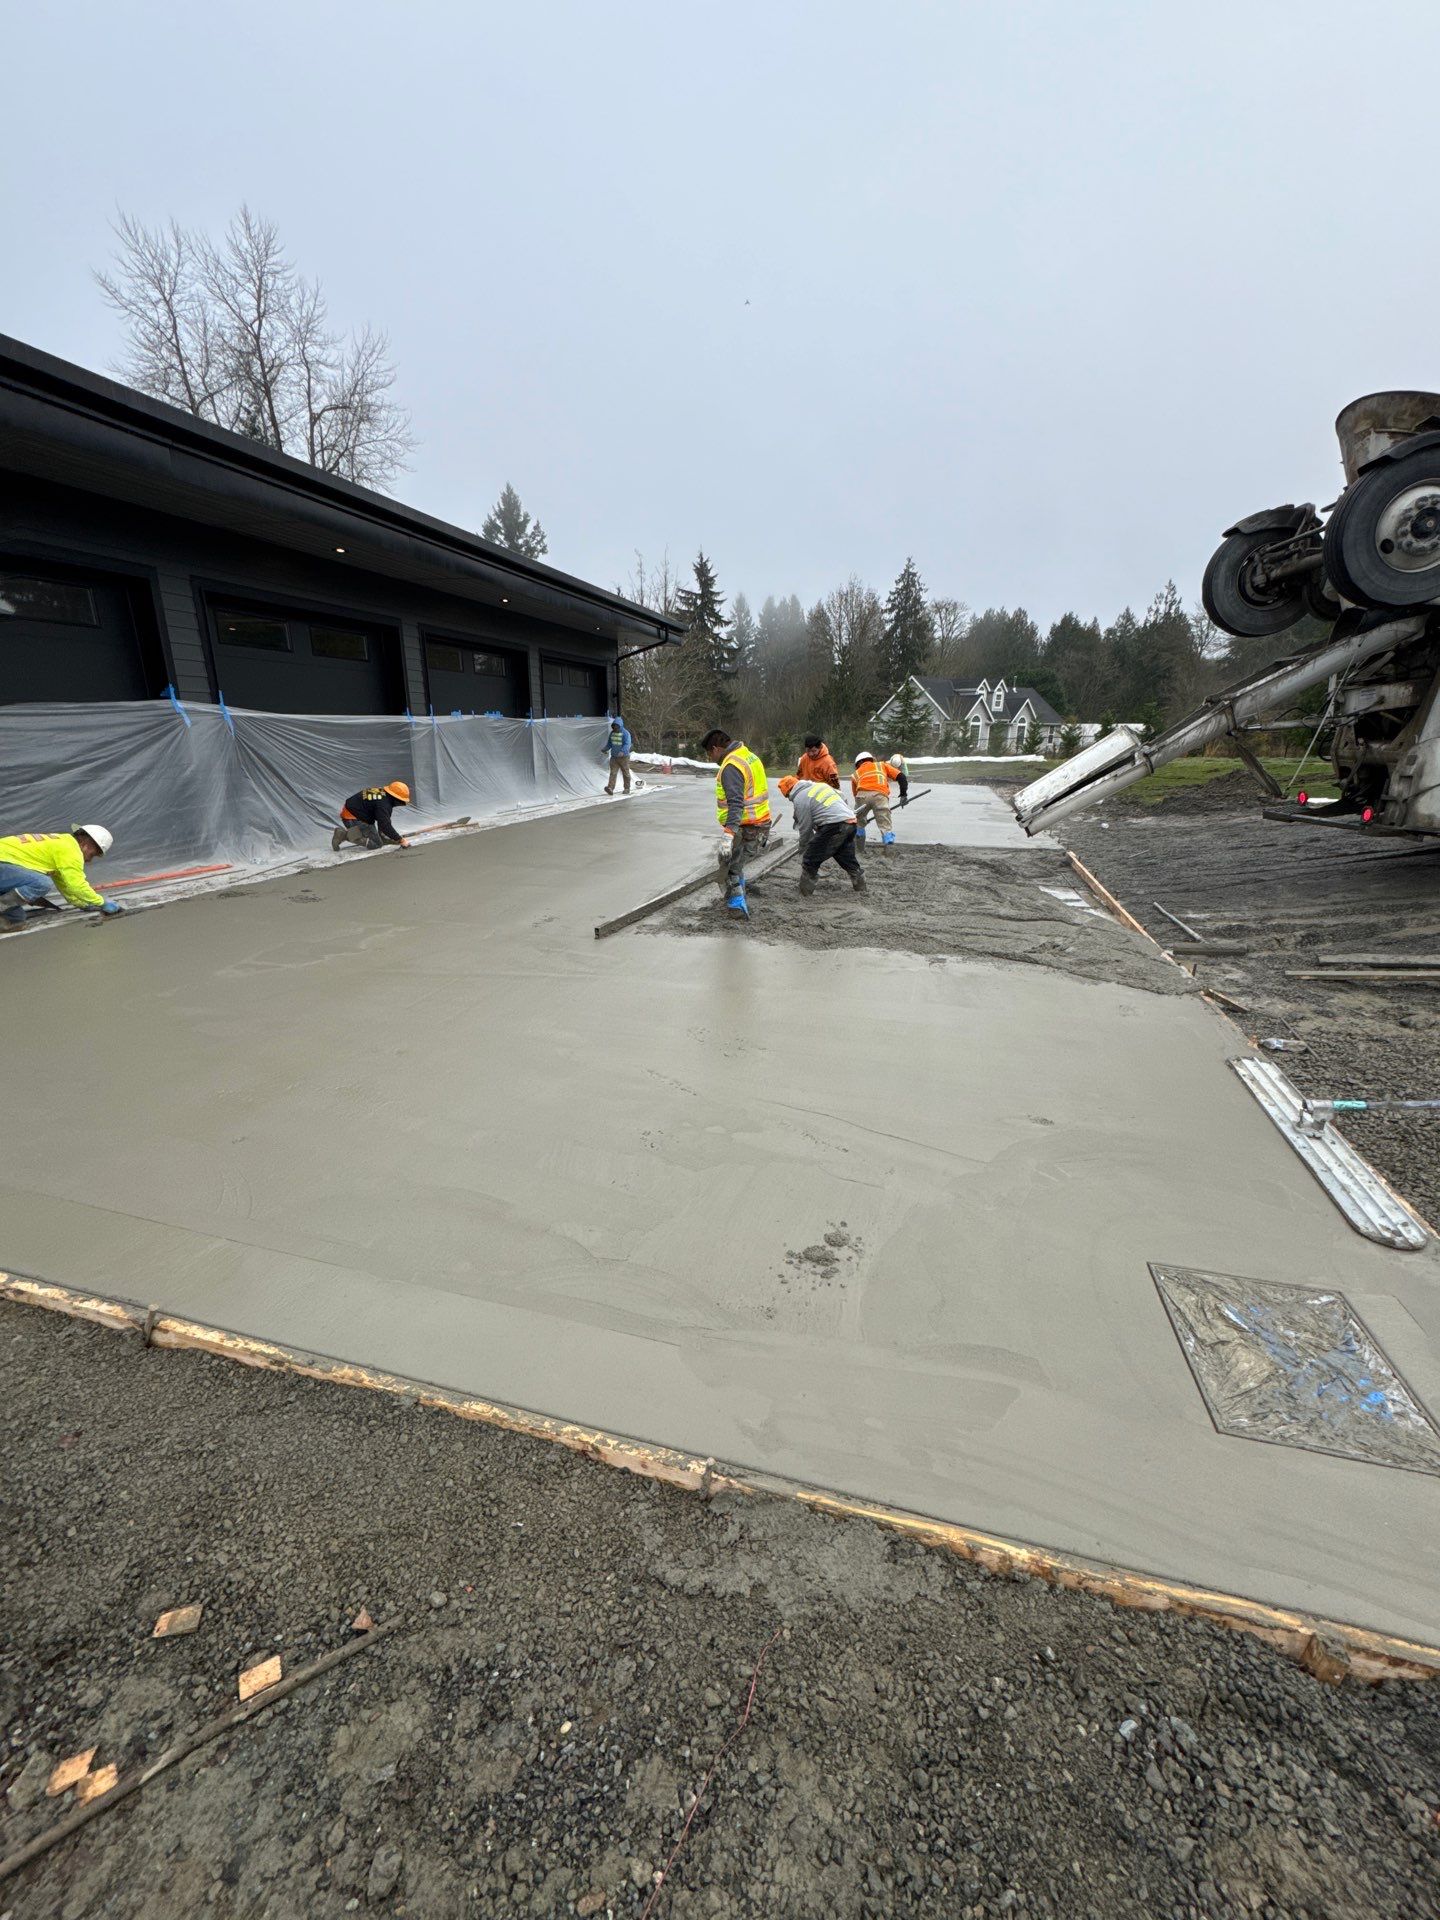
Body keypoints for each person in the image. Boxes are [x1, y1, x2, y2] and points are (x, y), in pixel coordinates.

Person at [700, 728, 771, 918]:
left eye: (709, 753)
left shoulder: (731, 766)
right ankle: (741, 893)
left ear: (716, 748)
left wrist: (728, 834)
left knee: (728, 865)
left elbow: (735, 803)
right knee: (737, 863)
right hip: (759, 823)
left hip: (747, 826)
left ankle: (737, 906)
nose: (710, 758)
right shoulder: (748, 756)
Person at [0, 823, 121, 927]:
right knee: (42, 883)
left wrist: (82, 904)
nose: (89, 860)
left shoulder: (62, 843)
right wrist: (101, 902)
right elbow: (77, 885)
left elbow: (64, 883)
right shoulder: (70, 850)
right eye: (93, 854)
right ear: (87, 843)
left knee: (16, 919)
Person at [777, 776, 866, 896]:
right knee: (844, 855)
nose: (789, 799)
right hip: (850, 822)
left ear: (788, 792)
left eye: (787, 796)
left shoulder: (800, 798)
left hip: (833, 826)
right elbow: (842, 797)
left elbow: (805, 828)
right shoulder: (819, 785)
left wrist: (804, 847)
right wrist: (845, 813)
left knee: (810, 859)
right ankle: (860, 885)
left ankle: (805, 893)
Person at [331, 781, 411, 852]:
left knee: (379, 837)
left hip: (356, 812)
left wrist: (384, 836)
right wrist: (401, 840)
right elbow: (385, 825)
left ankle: (354, 833)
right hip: (353, 818)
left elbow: (383, 820)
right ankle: (343, 835)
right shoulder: (383, 805)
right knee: (376, 844)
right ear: (395, 798)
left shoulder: (382, 793)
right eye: (401, 800)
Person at [850, 751, 909, 848]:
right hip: (880, 796)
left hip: (862, 796)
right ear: (871, 760)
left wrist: (862, 816)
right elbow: (901, 777)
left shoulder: (855, 774)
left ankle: (860, 851)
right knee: (885, 825)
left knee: (858, 824)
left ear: (858, 763)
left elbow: (856, 796)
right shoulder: (881, 765)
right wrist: (903, 795)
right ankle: (888, 849)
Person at [603, 715, 634, 795]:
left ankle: (627, 788)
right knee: (613, 773)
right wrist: (605, 749)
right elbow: (610, 743)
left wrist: (623, 751)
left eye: (616, 726)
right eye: (613, 726)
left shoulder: (626, 733)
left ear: (620, 725)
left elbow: (627, 744)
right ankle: (610, 788)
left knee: (625, 773)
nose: (614, 728)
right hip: (614, 757)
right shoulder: (612, 733)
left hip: (624, 757)